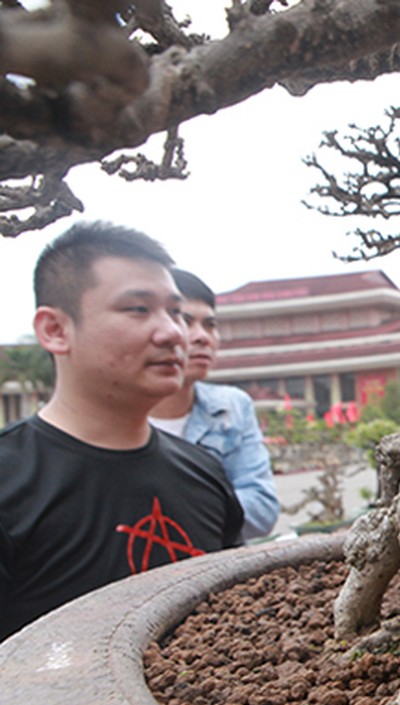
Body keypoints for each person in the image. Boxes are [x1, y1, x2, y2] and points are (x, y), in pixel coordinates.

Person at [0, 221, 244, 641]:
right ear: (55, 330)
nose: (173, 333)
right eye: (138, 309)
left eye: (176, 312)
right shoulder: (10, 482)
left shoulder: (205, 472)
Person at [149, 269, 281, 541]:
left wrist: (165, 511)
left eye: (210, 325)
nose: (202, 337)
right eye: (184, 320)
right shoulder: (115, 422)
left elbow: (262, 509)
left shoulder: (231, 407)